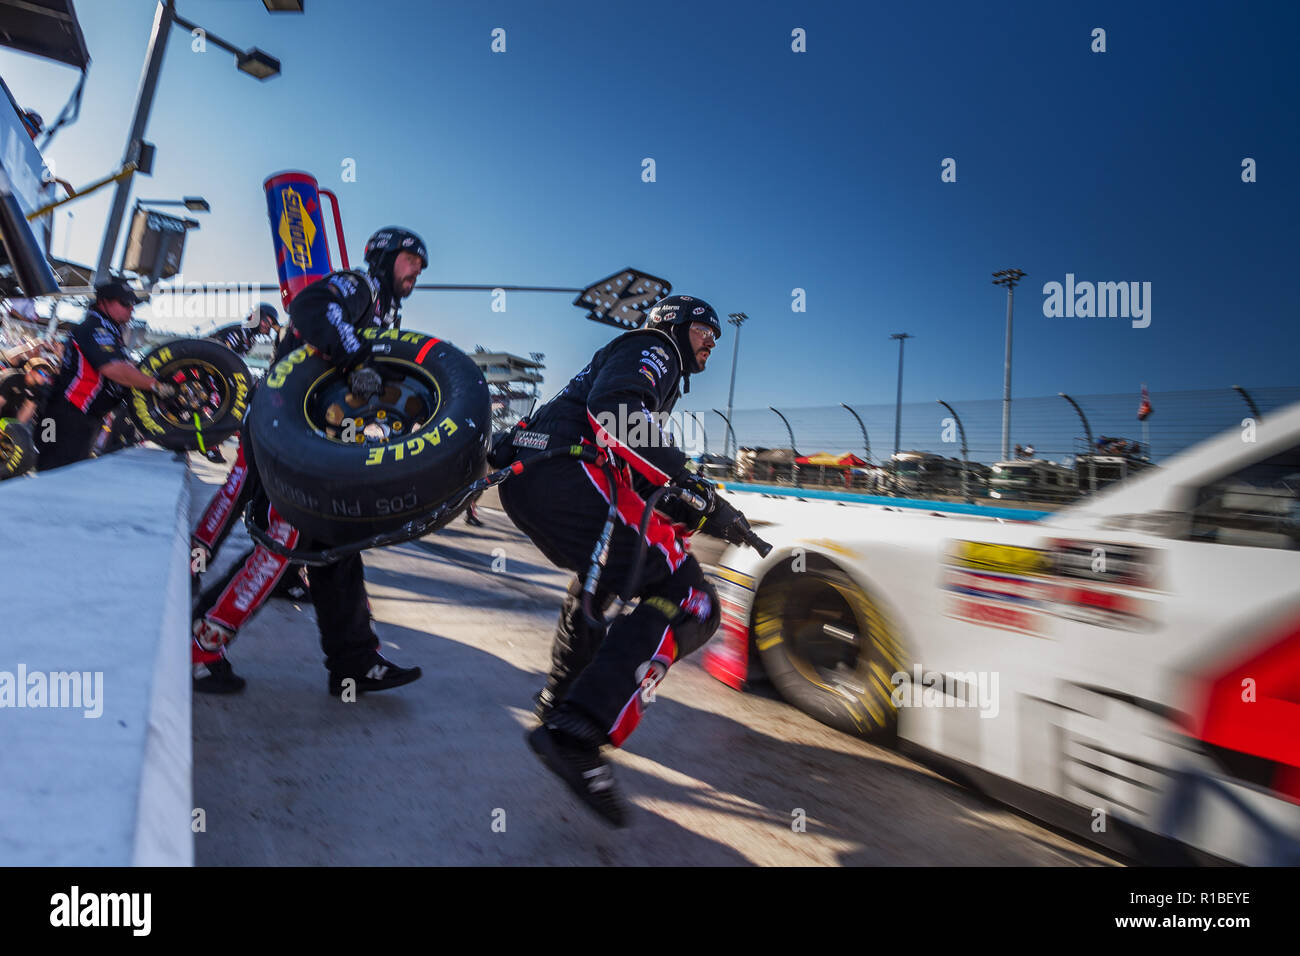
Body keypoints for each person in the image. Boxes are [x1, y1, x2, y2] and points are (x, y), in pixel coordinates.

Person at [497, 294, 753, 826]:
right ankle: (578, 731)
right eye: (705, 330)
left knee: (609, 579)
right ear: (674, 325)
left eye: (716, 335)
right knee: (693, 600)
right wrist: (696, 487)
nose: (712, 342)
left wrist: (704, 512)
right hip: (563, 473)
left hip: (537, 478)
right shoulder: (655, 347)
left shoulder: (644, 366)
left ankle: (561, 703)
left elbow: (635, 467)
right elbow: (615, 414)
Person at [190, 227, 428, 699]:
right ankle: (201, 646)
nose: (416, 271)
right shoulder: (359, 285)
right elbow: (310, 306)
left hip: (317, 442)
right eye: (410, 261)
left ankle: (354, 664)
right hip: (283, 431)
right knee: (286, 541)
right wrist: (357, 358)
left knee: (335, 545)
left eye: (420, 267)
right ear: (384, 258)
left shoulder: (383, 310)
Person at [34, 279, 175, 472]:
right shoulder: (95, 329)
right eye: (125, 303)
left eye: (133, 304)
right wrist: (156, 385)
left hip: (84, 417)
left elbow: (128, 368)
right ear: (104, 302)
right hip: (67, 415)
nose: (131, 308)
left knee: (68, 475)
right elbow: (114, 369)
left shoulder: (111, 331)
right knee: (54, 475)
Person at [201, 303, 280, 463]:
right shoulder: (239, 332)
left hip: (216, 372)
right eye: (267, 321)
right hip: (205, 369)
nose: (268, 326)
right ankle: (209, 443)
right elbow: (220, 355)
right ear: (256, 316)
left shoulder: (249, 338)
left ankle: (233, 432)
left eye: (271, 324)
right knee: (219, 400)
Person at [0, 356, 54, 425]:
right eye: (42, 373)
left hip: (10, 425)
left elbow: (22, 420)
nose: (44, 378)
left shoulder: (39, 392)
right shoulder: (14, 379)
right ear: (31, 370)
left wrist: (31, 399)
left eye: (47, 376)